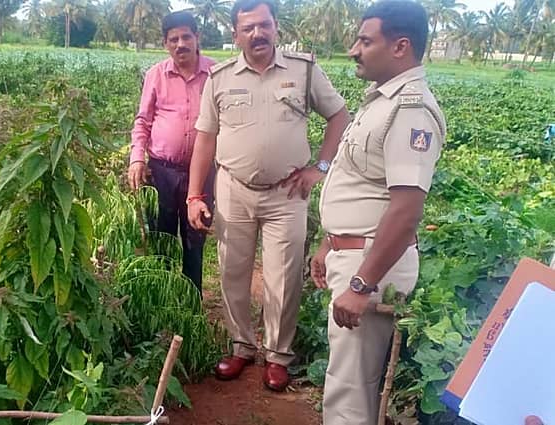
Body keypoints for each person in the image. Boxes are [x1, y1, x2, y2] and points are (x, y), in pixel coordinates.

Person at [186, 0, 349, 390]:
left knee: (283, 276)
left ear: (276, 27)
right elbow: (205, 139)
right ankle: (241, 346)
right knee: (232, 272)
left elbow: (339, 115)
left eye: (264, 25)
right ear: (235, 34)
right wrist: (195, 195)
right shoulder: (220, 78)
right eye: (248, 28)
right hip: (233, 190)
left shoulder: (304, 70)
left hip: (287, 193)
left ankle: (278, 356)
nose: (257, 34)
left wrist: (320, 168)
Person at [310, 2, 446, 423]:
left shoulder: (410, 111)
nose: (354, 49)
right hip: (354, 255)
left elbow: (405, 212)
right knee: (346, 380)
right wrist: (327, 245)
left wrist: (362, 283)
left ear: (401, 46)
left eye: (366, 41)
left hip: (372, 266)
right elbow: (361, 185)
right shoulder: (383, 102)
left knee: (351, 391)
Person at [128, 11, 216, 291]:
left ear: (197, 38)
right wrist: (136, 158)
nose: (181, 44)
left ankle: (191, 306)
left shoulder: (216, 74)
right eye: (173, 39)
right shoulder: (156, 75)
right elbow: (143, 120)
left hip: (201, 174)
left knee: (195, 238)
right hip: (162, 171)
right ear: (166, 43)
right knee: (162, 239)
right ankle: (163, 303)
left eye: (186, 37)